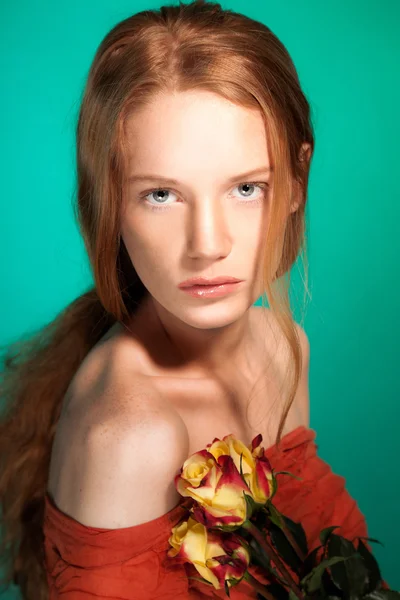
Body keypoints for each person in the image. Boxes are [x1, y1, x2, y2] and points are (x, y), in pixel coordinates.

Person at [0, 1, 389, 598]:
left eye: (246, 187)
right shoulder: (129, 435)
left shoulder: (283, 353)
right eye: (161, 194)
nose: (208, 245)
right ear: (109, 206)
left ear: (296, 182)